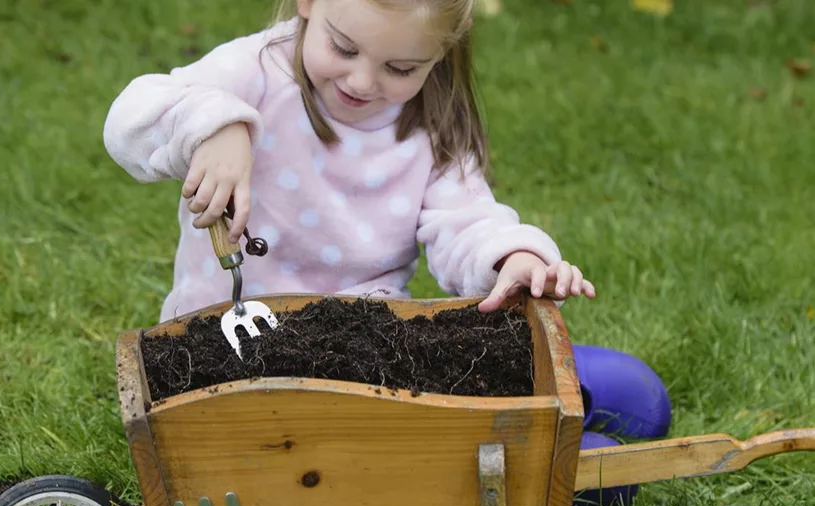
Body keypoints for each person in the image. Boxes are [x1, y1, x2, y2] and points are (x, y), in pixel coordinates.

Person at [103, 0, 596, 324]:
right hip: (224, 324)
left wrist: (514, 258)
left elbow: (466, 222)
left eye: (401, 68)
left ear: (444, 48)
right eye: (342, 47)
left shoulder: (431, 124)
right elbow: (129, 118)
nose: (361, 82)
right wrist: (213, 126)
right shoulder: (256, 71)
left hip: (359, 340)